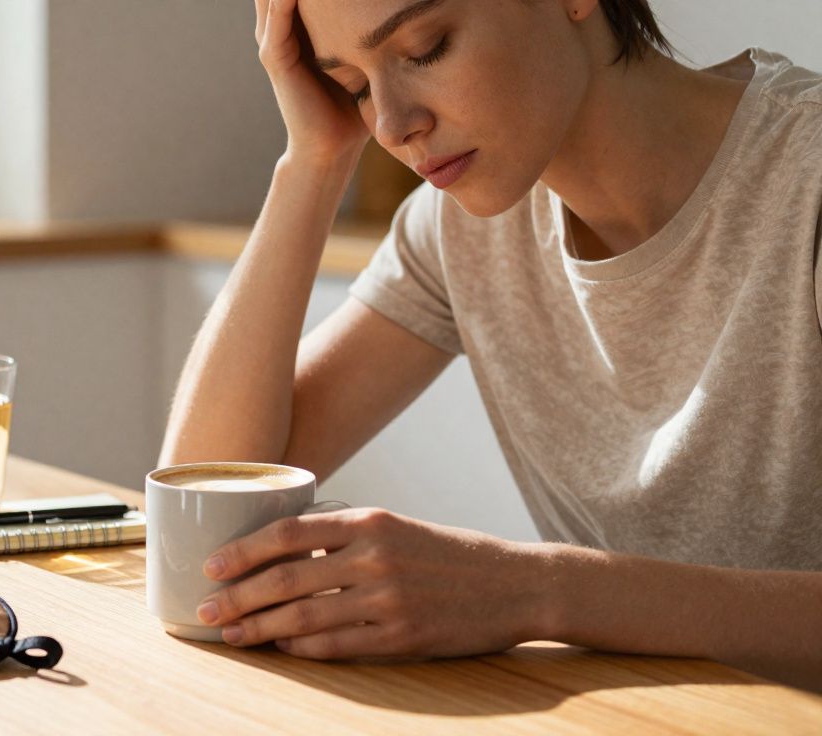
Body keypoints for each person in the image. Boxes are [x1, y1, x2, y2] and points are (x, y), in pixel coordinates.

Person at [158, 0, 822, 691]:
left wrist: (538, 590)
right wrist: (313, 159)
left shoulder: (808, 181)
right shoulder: (459, 225)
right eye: (354, 86)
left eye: (426, 47)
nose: (391, 126)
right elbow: (207, 519)